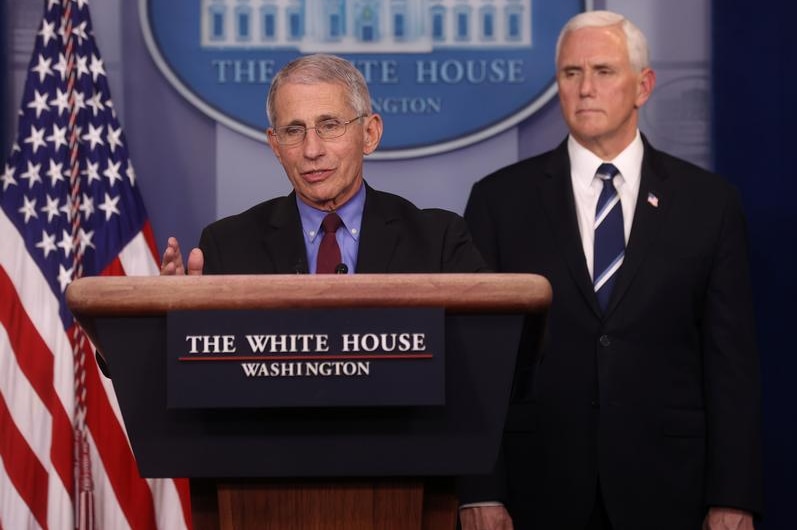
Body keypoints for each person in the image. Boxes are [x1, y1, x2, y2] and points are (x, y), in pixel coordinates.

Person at [459, 10, 763, 530]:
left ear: (643, 85)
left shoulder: (708, 203)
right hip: (538, 490)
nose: (584, 89)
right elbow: (475, 360)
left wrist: (733, 496)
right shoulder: (499, 201)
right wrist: (479, 491)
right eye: (570, 74)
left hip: (671, 489)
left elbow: (730, 363)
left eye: (603, 71)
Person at [160, 53, 486, 276]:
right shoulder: (226, 248)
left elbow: (485, 356)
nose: (311, 150)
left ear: (369, 134)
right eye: (293, 131)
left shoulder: (438, 242)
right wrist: (172, 319)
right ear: (276, 145)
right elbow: (191, 368)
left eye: (330, 126)